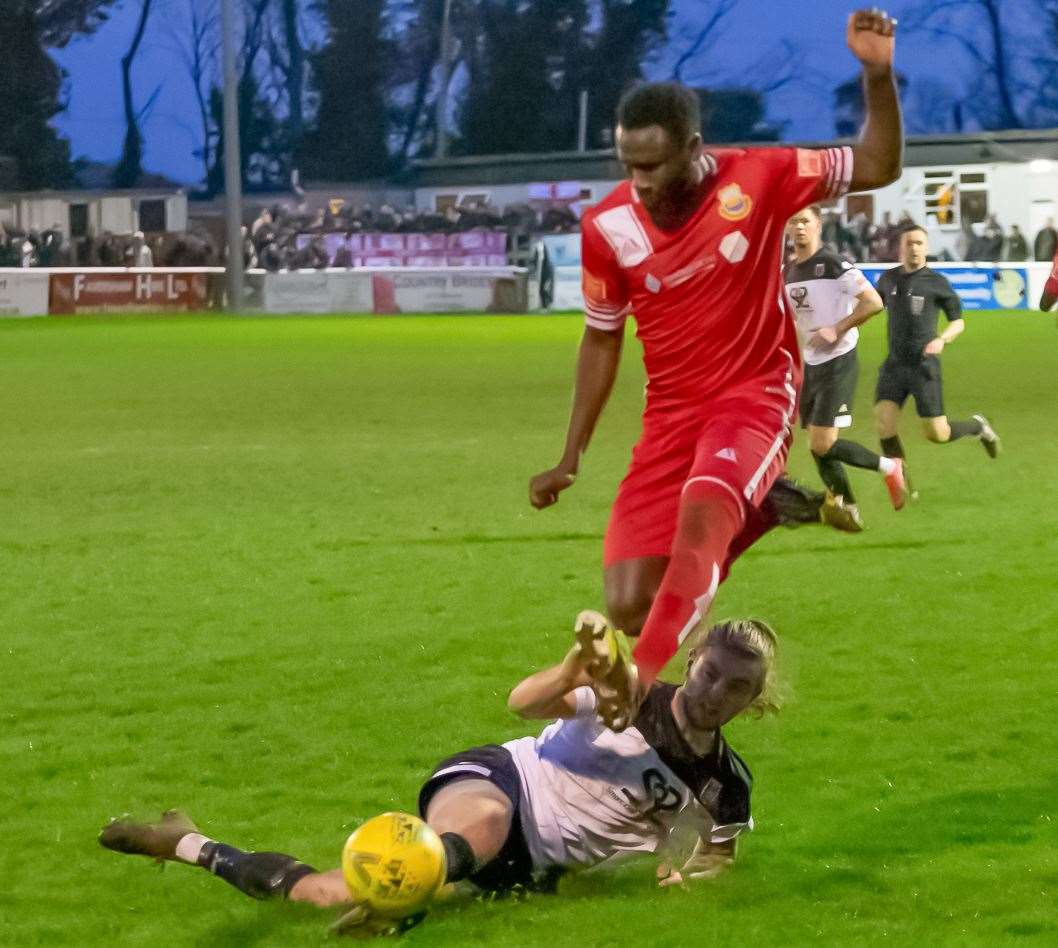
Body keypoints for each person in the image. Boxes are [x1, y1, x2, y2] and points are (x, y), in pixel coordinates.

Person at [528, 9, 903, 729]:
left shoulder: (758, 177)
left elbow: (879, 165)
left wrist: (876, 77)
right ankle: (764, 510)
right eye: (625, 164)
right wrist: (569, 454)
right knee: (630, 602)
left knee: (702, 518)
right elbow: (601, 338)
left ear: (693, 148)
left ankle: (637, 683)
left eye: (652, 165)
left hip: (755, 391)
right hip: (671, 412)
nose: (635, 181)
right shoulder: (607, 227)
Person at [100, 617, 778, 935]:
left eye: (737, 687)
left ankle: (185, 843)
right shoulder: (633, 693)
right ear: (692, 659)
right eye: (711, 671)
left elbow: (718, 855)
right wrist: (574, 671)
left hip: (531, 869)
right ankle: (409, 900)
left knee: (315, 896)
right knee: (482, 824)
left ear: (754, 701)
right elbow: (524, 703)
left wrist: (688, 876)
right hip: (502, 781)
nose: (717, 690)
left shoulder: (725, 783)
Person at [784, 205, 906, 526]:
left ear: (818, 226)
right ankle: (848, 507)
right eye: (794, 222)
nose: (799, 228)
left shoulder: (833, 263)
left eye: (805, 222)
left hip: (838, 359)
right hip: (811, 362)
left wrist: (836, 329)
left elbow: (874, 302)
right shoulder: (788, 269)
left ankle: (889, 467)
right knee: (817, 445)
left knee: (823, 442)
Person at [874, 225, 1001, 476]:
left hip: (924, 366)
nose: (914, 248)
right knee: (883, 425)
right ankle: (900, 479)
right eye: (909, 243)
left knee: (937, 434)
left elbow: (958, 321)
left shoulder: (937, 283)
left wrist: (942, 339)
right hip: (894, 365)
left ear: (926, 247)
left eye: (919, 243)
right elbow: (872, 304)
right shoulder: (887, 279)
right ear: (900, 247)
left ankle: (978, 426)